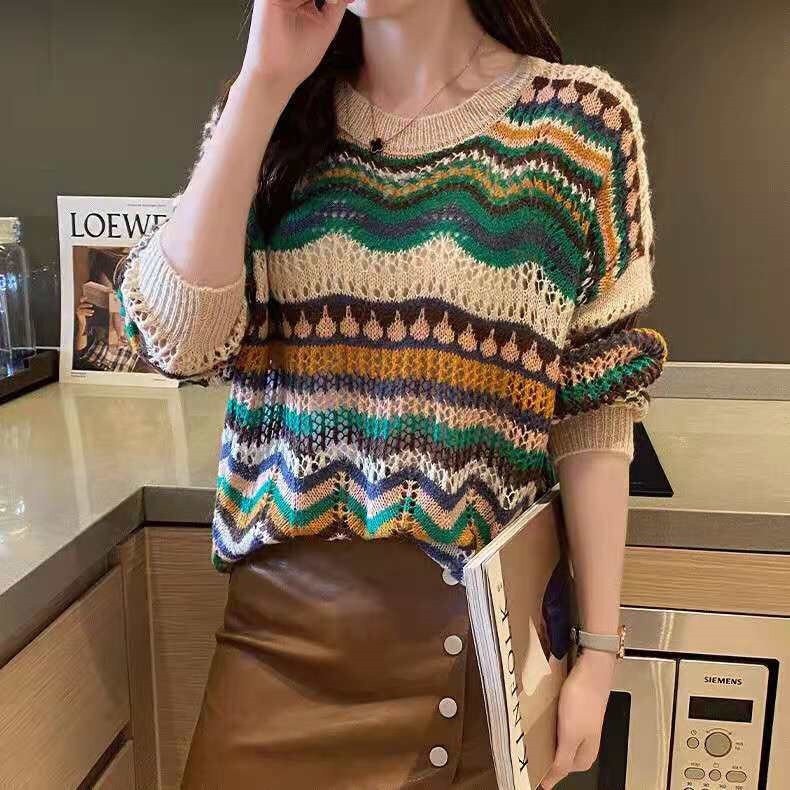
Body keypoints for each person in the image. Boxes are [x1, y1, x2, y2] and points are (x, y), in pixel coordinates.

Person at [115, 1, 668, 786]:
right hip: (273, 655)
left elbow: (596, 412)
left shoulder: (580, 125)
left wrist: (599, 653)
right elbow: (178, 342)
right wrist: (263, 81)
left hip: (467, 663)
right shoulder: (277, 112)